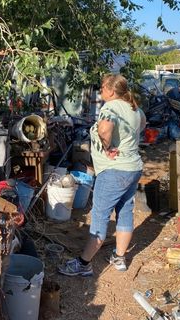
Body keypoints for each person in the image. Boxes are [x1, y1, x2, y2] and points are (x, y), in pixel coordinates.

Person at [58, 74, 146, 275]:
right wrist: (127, 142)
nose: (100, 91)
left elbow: (105, 129)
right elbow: (142, 124)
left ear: (112, 91)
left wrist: (108, 146)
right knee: (124, 211)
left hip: (113, 170)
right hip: (132, 167)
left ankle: (83, 264)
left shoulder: (111, 107)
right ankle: (119, 258)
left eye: (103, 88)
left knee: (99, 216)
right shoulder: (133, 107)